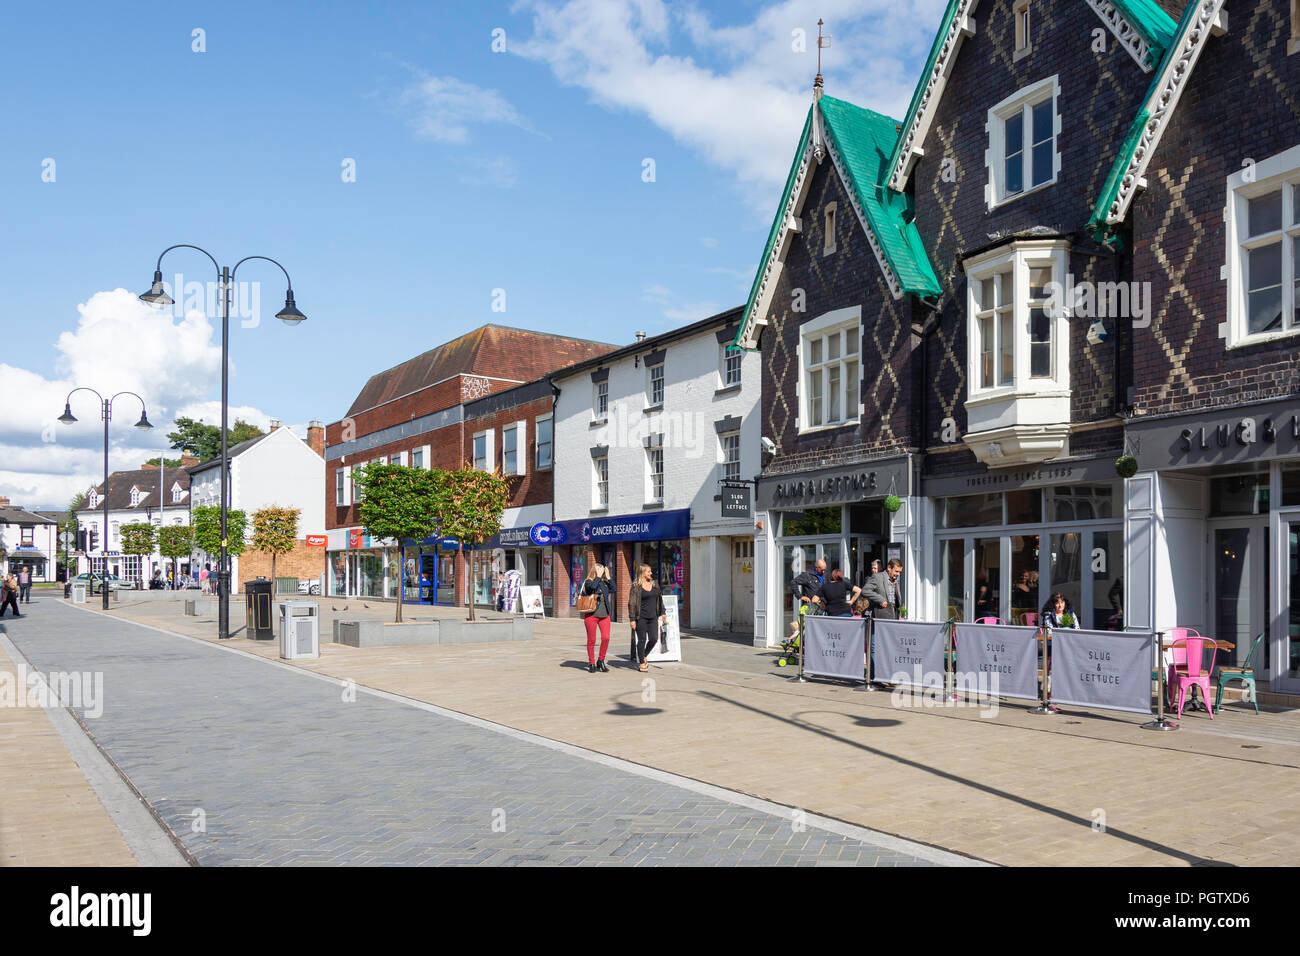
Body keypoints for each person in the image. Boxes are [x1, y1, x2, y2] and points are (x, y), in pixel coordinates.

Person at [627, 563, 666, 673]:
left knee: (654, 639)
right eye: (649, 571)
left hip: (653, 617)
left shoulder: (655, 584)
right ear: (643, 573)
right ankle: (642, 663)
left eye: (650, 571)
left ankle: (643, 655)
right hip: (641, 617)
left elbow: (660, 599)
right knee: (642, 640)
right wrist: (632, 619)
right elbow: (632, 604)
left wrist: (663, 612)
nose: (651, 573)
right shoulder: (636, 587)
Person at [580, 563, 613, 673]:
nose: (601, 572)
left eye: (602, 570)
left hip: (605, 615)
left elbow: (614, 589)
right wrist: (598, 577)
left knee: (606, 638)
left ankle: (601, 660)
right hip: (591, 615)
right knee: (592, 640)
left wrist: (608, 577)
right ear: (595, 570)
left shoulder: (604, 583)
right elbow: (592, 588)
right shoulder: (588, 581)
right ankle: (591, 663)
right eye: (599, 570)